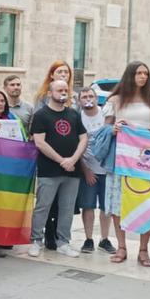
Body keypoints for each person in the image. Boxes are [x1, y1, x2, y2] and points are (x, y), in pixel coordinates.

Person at [104, 61, 150, 266]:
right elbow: (103, 129)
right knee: (118, 203)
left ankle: (143, 249)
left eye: (146, 73)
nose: (142, 76)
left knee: (145, 202)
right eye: (138, 73)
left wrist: (136, 130)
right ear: (130, 75)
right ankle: (121, 246)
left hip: (146, 160)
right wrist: (113, 129)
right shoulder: (115, 100)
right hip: (121, 158)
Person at [29, 80, 87, 258]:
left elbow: (83, 138)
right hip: (49, 170)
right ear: (49, 93)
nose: (63, 92)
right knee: (43, 206)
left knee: (67, 208)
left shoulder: (73, 114)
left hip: (72, 170)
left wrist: (73, 160)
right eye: (59, 90)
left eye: (65, 90)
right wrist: (62, 160)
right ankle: (36, 240)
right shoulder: (41, 115)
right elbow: (39, 142)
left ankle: (64, 242)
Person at [76, 87, 114, 254]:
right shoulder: (77, 118)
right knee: (88, 206)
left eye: (90, 96)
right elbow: (76, 147)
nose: (87, 99)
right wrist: (86, 171)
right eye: (84, 97)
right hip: (88, 168)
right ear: (79, 100)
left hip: (106, 168)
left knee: (106, 207)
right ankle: (89, 239)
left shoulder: (105, 116)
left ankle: (104, 239)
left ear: (96, 97)